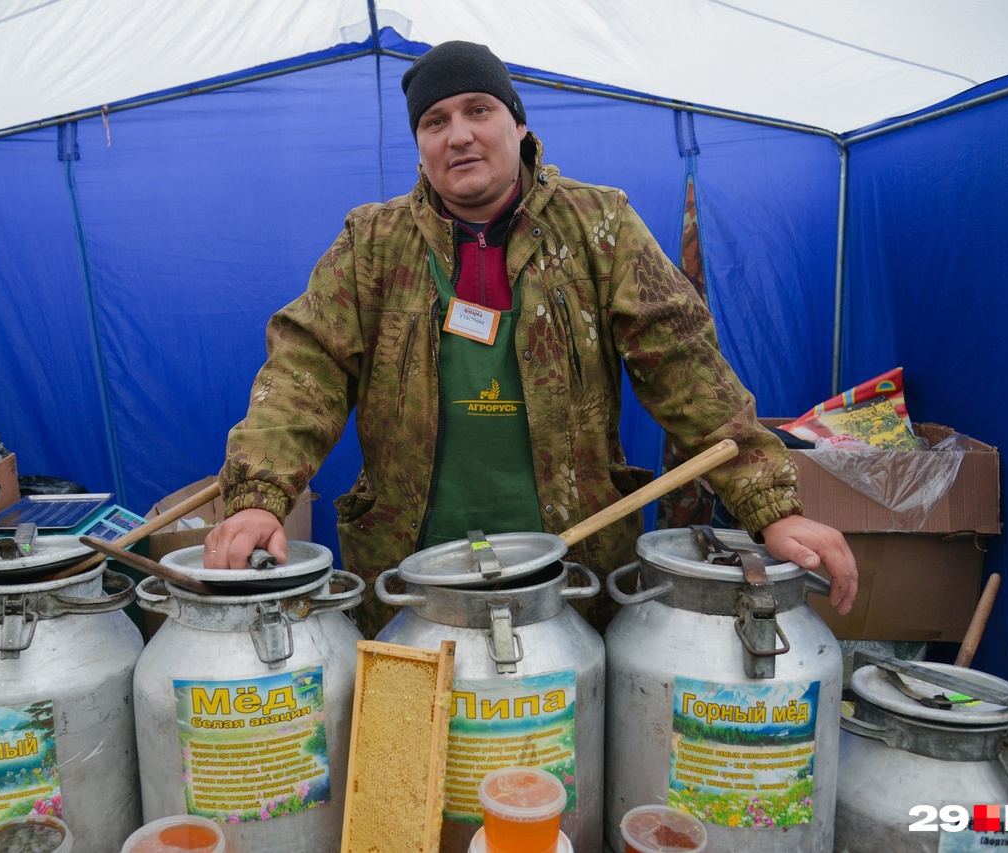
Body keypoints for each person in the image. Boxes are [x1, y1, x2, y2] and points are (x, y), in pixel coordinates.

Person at [203, 40, 857, 638]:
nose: (457, 135)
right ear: (420, 147)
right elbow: (303, 372)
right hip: (410, 582)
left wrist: (770, 505)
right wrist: (260, 499)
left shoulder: (600, 227)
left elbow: (684, 366)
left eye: (477, 110)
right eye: (435, 122)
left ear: (518, 125)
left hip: (573, 578)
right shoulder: (372, 244)